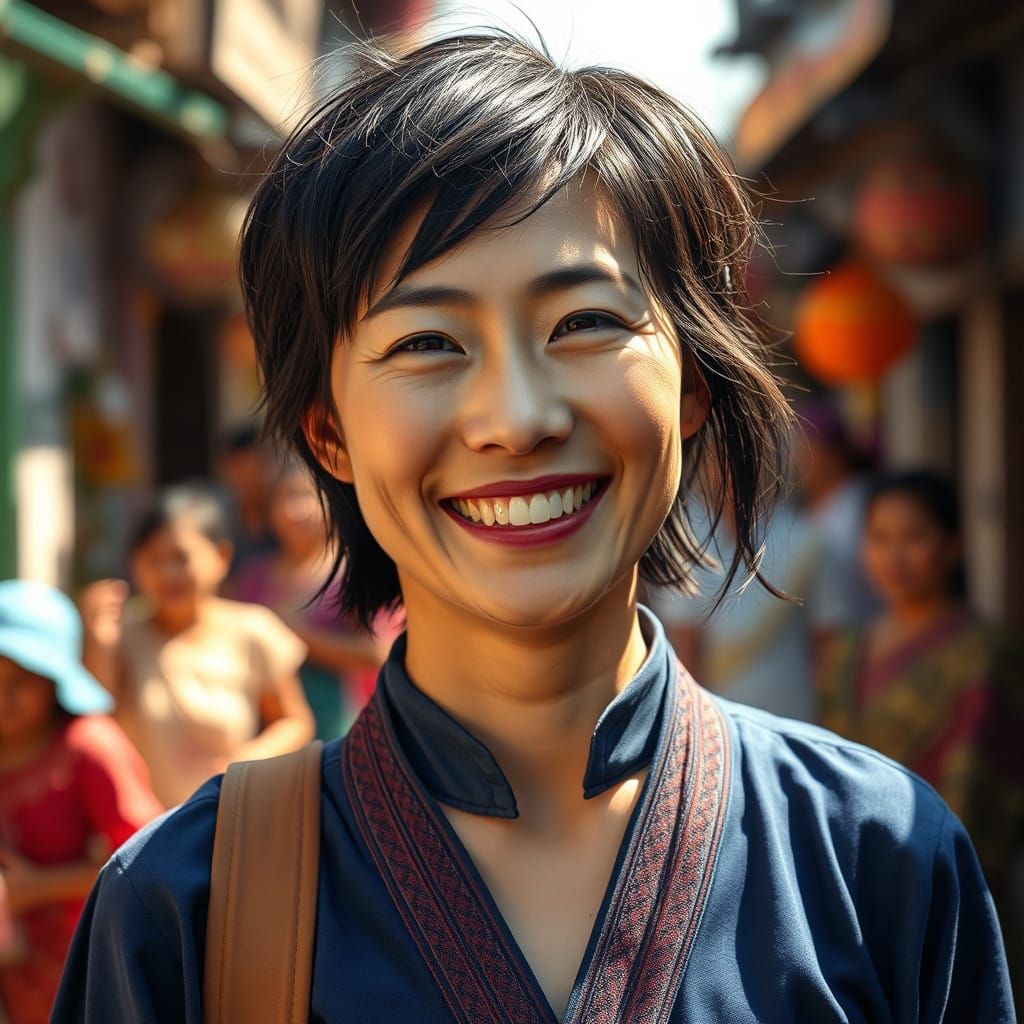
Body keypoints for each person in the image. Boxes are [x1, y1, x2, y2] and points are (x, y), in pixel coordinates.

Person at [55, 34, 1013, 1022]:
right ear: (329, 433)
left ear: (691, 382)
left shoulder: (876, 862)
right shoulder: (185, 908)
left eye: (584, 323)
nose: (516, 417)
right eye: (428, 342)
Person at [818, 470, 1023, 983]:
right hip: (851, 903)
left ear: (953, 546)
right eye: (880, 538)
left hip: (951, 908)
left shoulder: (981, 655)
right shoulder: (847, 653)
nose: (895, 556)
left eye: (915, 537)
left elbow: (976, 793)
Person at [80, 485, 315, 807]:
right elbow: (95, 725)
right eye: (153, 559)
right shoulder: (120, 637)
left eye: (180, 558)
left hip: (229, 822)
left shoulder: (253, 631)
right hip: (141, 833)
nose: (166, 573)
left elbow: (294, 722)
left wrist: (243, 763)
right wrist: (98, 642)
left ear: (221, 557)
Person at [0, 581, 161, 1023]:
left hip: (86, 972)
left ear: (53, 679)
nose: (3, 696)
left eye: (21, 680)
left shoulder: (89, 747)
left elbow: (147, 862)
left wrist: (39, 886)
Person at [229, 460, 391, 737]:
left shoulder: (356, 573)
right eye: (285, 497)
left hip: (345, 727)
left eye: (305, 496)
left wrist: (289, 634)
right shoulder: (253, 575)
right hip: (264, 730)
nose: (294, 510)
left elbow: (376, 653)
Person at [653, 488, 837, 722]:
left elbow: (827, 642)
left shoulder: (805, 536)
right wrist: (692, 720)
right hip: (716, 721)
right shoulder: (683, 538)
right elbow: (685, 646)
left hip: (793, 716)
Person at [793, 396, 880, 629]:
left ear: (835, 454)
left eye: (809, 450)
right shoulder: (808, 509)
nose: (799, 460)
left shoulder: (859, 504)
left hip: (859, 625)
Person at [216, 423, 279, 576]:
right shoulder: (216, 522)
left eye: (261, 466)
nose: (253, 479)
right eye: (242, 471)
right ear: (225, 470)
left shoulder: (289, 517)